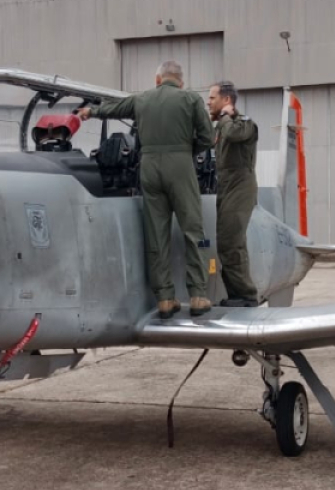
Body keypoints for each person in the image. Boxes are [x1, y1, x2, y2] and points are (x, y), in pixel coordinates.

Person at [78, 61, 214, 318]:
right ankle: (197, 295)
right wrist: (186, 151)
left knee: (156, 234)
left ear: (158, 79)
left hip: (149, 168)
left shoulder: (141, 99)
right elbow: (208, 138)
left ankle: (164, 298)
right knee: (193, 230)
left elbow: (112, 109)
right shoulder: (190, 99)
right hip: (181, 167)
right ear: (180, 81)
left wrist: (89, 112)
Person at [207, 81, 259, 307]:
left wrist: (226, 117)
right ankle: (236, 294)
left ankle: (246, 295)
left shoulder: (244, 124)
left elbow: (234, 134)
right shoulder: (222, 126)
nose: (208, 102)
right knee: (226, 241)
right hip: (226, 186)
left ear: (226, 100)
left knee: (232, 241)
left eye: (212, 98)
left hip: (240, 186)